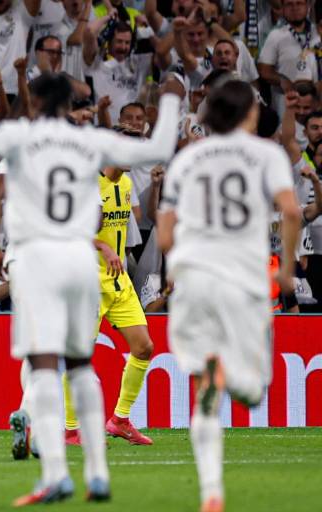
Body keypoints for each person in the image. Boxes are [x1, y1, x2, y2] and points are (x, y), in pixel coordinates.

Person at [0, 73, 180, 504]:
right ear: (69, 103)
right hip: (81, 261)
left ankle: (57, 474)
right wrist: (172, 98)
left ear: (35, 100)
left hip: (37, 260)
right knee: (81, 366)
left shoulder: (19, 136)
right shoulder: (90, 142)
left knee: (44, 366)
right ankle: (98, 473)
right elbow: (157, 148)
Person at [157, 80, 300, 512]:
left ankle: (211, 492)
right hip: (245, 279)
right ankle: (234, 377)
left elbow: (165, 235)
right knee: (254, 390)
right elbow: (291, 211)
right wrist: (289, 271)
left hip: (195, 276)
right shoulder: (266, 154)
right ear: (250, 114)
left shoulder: (187, 159)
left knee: (203, 385)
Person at [63, 149, 154, 448]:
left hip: (118, 281)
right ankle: (70, 429)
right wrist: (102, 246)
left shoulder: (126, 184)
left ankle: (120, 420)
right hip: (89, 282)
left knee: (143, 347)